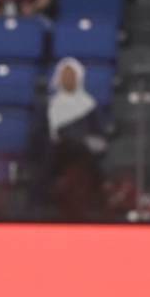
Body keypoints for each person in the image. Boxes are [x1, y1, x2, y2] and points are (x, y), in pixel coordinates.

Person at [45, 56, 110, 221]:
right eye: (65, 75)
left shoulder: (90, 106)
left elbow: (100, 137)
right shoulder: (49, 106)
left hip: (83, 160)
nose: (69, 79)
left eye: (72, 75)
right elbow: (41, 136)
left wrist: (81, 141)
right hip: (56, 160)